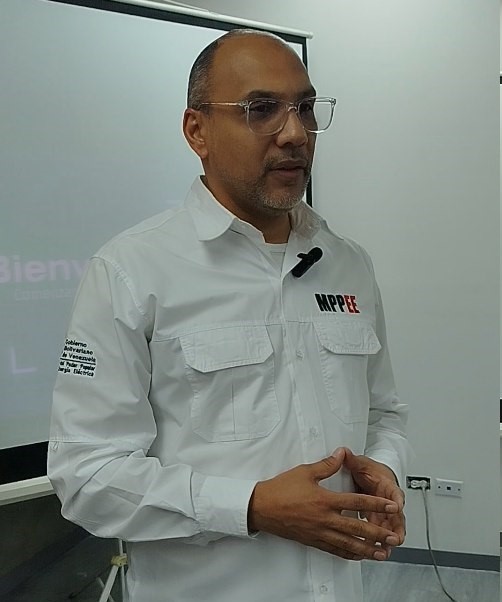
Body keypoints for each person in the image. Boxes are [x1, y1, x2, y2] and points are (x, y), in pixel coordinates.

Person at [48, 29, 411, 602]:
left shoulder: (348, 264)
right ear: (197, 131)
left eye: (305, 108)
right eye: (260, 109)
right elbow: (86, 476)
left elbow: (384, 413)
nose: (295, 133)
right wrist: (251, 507)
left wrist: (385, 471)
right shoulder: (130, 270)